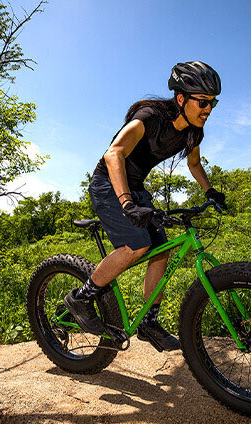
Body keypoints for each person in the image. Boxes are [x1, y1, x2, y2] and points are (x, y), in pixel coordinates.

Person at [64, 61, 226, 352]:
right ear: (181, 98)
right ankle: (81, 298)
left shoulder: (193, 132)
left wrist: (210, 190)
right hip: (108, 183)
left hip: (136, 187)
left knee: (160, 249)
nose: (208, 109)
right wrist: (126, 203)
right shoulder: (149, 118)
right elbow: (114, 154)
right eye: (202, 102)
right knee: (136, 245)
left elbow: (194, 163)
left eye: (212, 103)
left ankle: (148, 323)